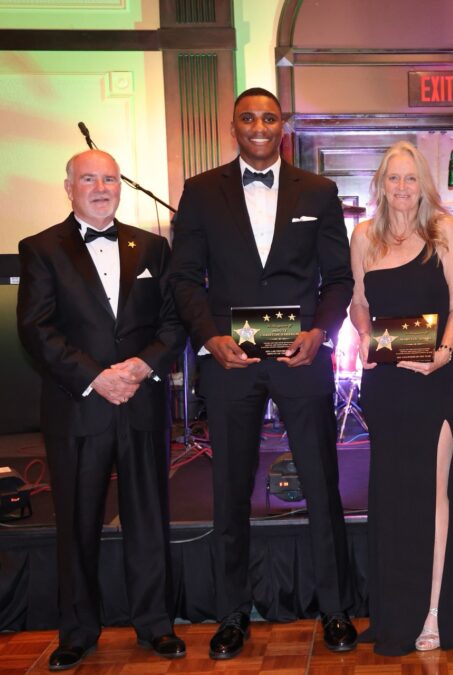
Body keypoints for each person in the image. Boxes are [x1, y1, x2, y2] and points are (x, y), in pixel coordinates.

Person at [169, 88, 356, 658]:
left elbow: (339, 280)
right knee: (228, 489)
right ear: (233, 126)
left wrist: (320, 331)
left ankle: (336, 609)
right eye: (248, 117)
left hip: (301, 357)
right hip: (231, 362)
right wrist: (209, 337)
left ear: (284, 126)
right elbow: (183, 278)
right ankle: (231, 615)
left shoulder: (319, 191)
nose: (258, 125)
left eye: (269, 117)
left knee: (322, 485)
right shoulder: (201, 193)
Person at [17, 149, 187, 671]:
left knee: (148, 518)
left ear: (121, 186)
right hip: (79, 406)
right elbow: (36, 329)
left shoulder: (154, 247)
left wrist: (140, 367)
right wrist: (97, 377)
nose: (100, 186)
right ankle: (77, 631)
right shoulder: (42, 248)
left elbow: (173, 321)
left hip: (141, 401)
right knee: (77, 520)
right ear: (67, 187)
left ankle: (155, 624)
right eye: (88, 178)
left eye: (109, 178)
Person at [348, 141, 453, 655]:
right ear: (380, 184)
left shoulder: (443, 231)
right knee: (390, 495)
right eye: (393, 179)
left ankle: (433, 613)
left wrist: (445, 352)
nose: (402, 188)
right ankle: (393, 611)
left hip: (435, 380)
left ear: (423, 183)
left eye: (410, 179)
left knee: (435, 495)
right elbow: (358, 303)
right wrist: (363, 334)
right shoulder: (363, 236)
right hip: (385, 384)